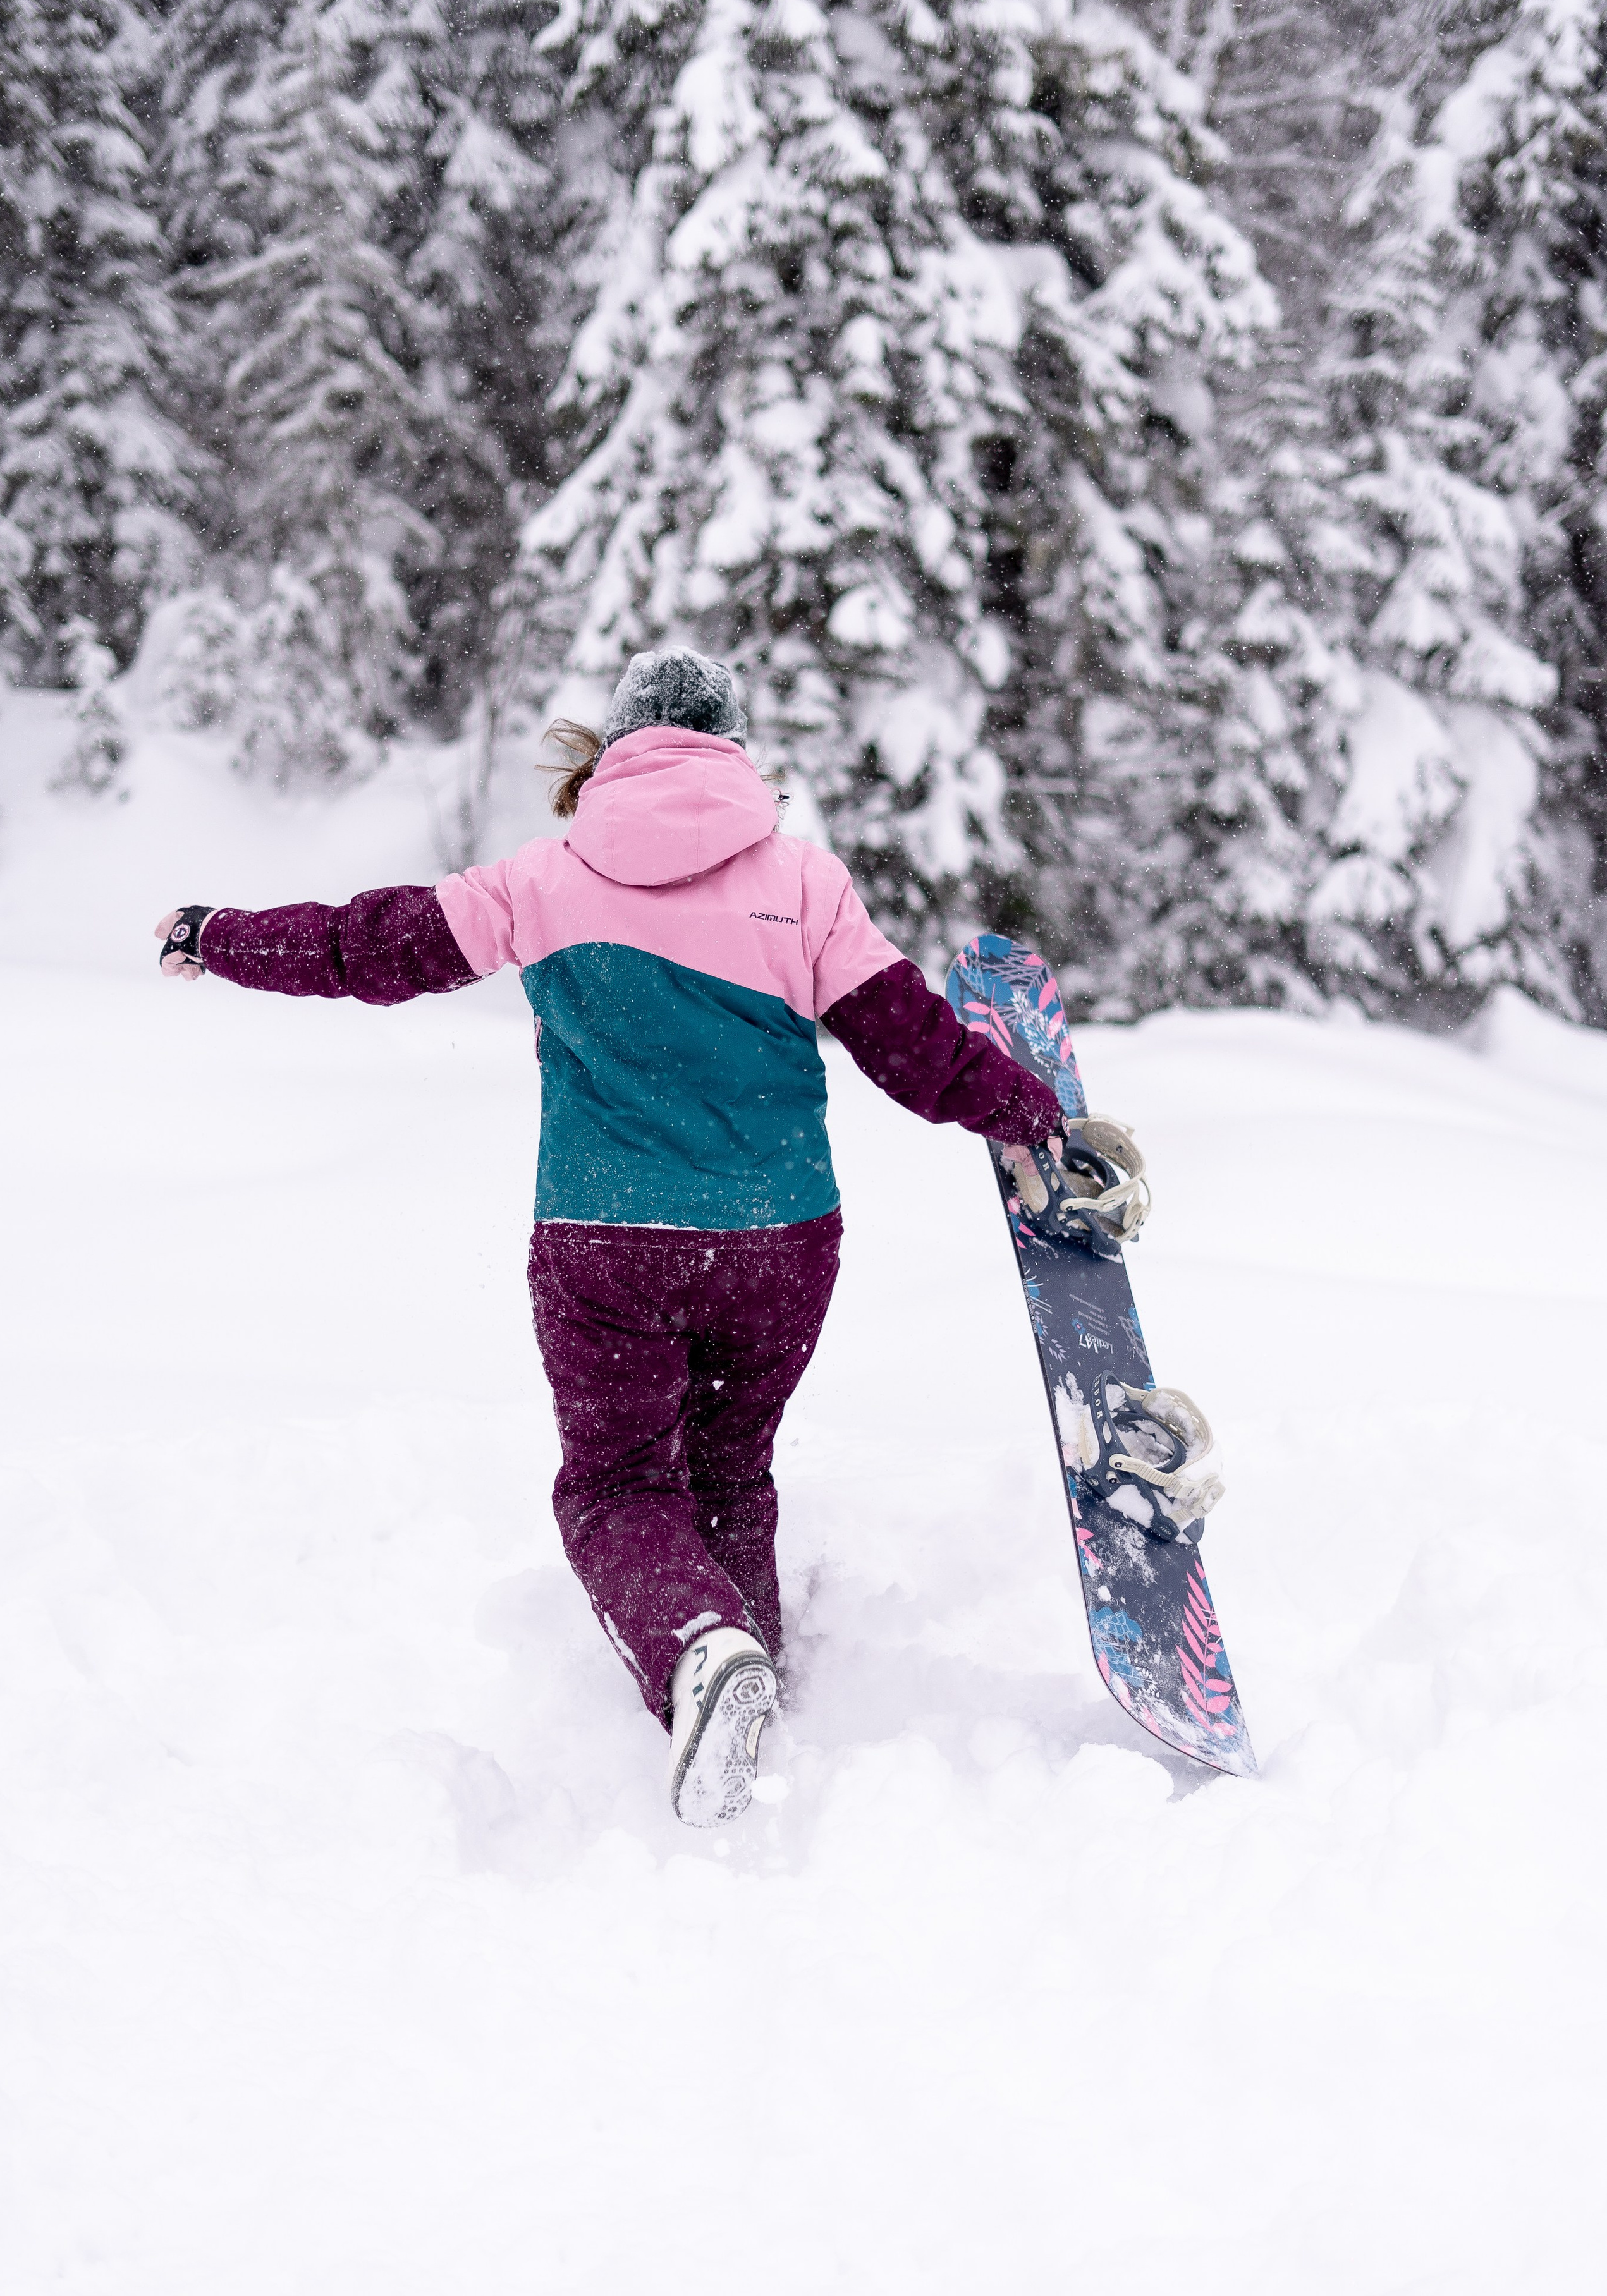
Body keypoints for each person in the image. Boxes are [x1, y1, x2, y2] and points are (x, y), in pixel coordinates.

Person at [155, 650, 1072, 1825]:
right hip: (779, 1240)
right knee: (730, 1465)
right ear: (733, 751)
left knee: (618, 1485)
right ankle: (755, 1702)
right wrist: (1032, 1119)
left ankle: (702, 1656)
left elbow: (370, 947)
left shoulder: (547, 879)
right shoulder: (803, 883)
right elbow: (909, 1042)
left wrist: (221, 934)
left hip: (608, 1243)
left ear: (616, 751)